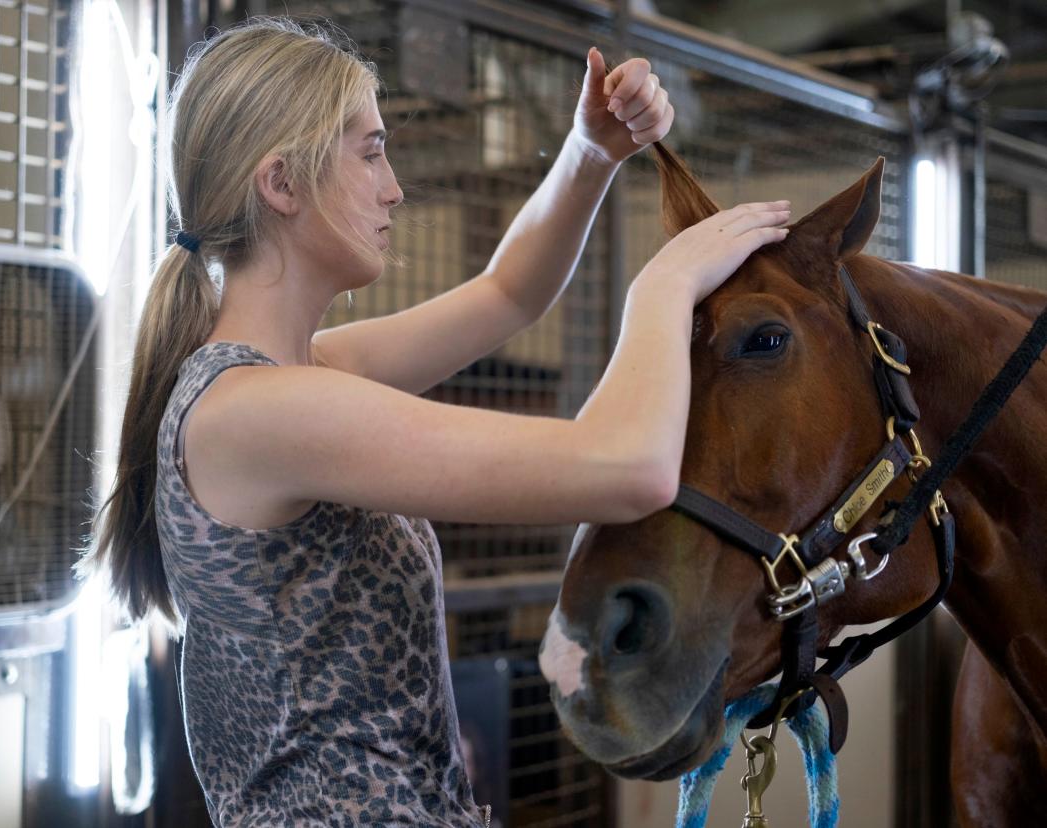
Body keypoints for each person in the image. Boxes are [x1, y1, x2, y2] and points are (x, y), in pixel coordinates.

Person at [79, 15, 791, 828]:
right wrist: (663, 287)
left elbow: (507, 294)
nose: (394, 186)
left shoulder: (297, 381)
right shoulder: (260, 413)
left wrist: (592, 151)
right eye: (371, 150)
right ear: (281, 185)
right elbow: (630, 468)